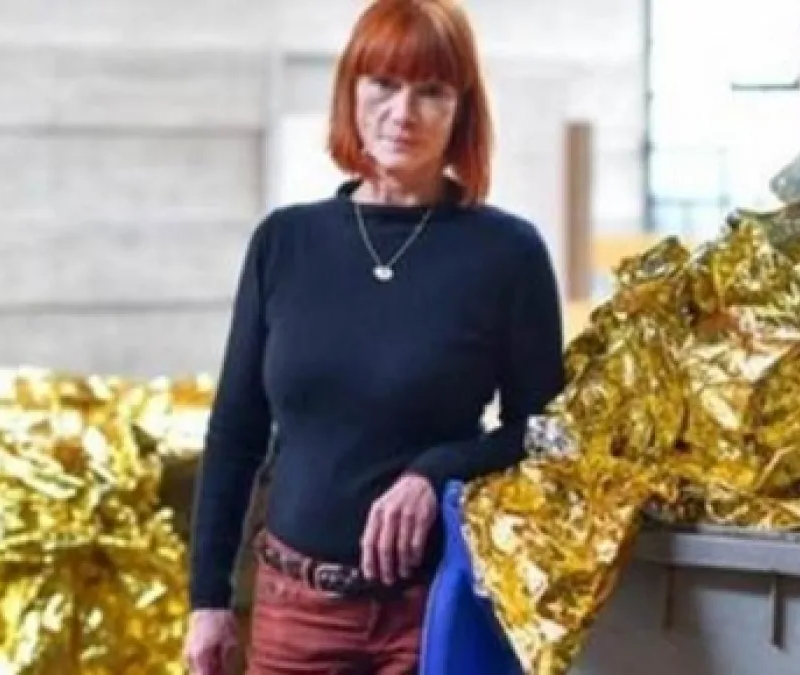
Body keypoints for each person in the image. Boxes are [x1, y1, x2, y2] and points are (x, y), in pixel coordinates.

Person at [183, 0, 565, 672]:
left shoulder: (507, 253)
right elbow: (236, 432)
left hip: (432, 610)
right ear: (351, 93)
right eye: (384, 84)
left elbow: (543, 434)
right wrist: (207, 598)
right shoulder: (285, 243)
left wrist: (437, 470)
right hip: (294, 608)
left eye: (431, 91)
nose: (403, 112)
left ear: (461, 110)